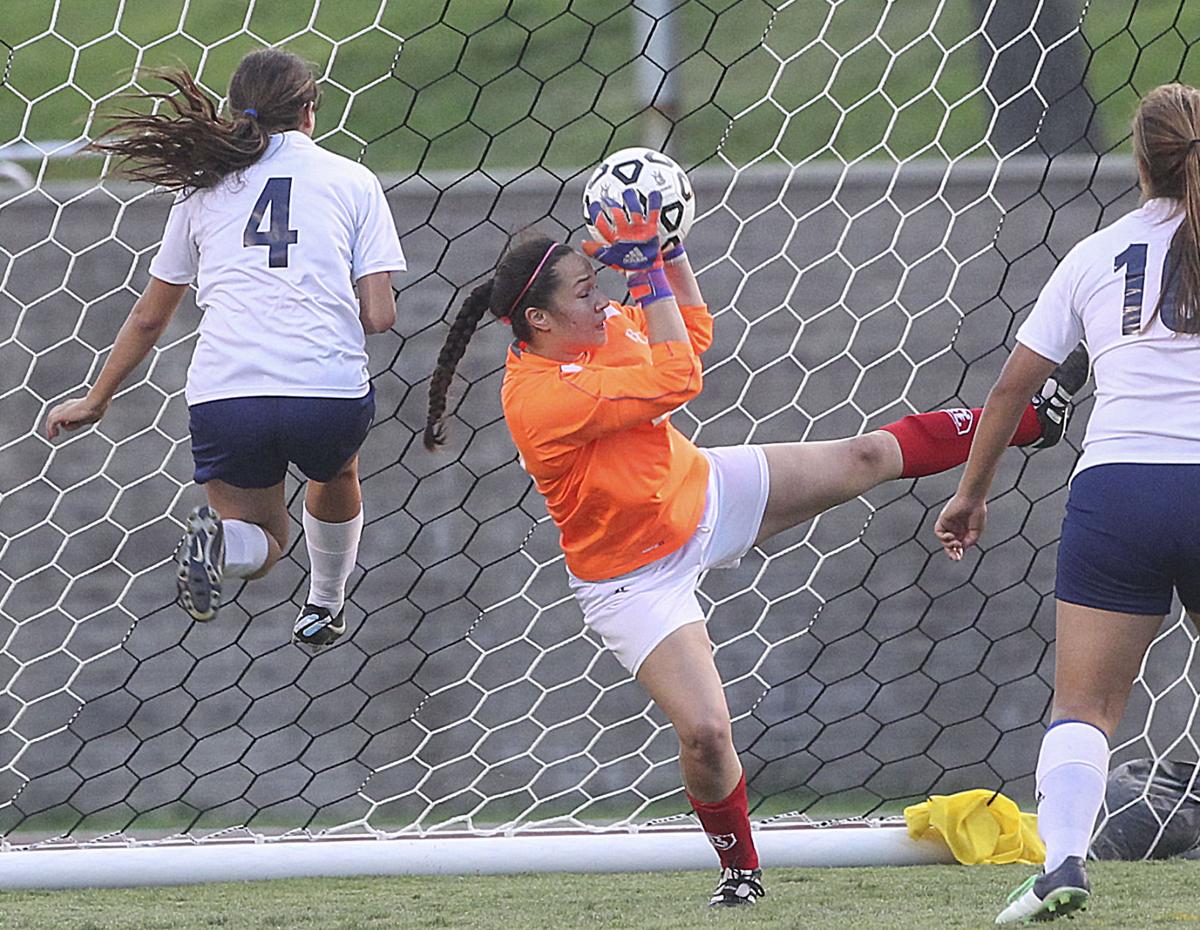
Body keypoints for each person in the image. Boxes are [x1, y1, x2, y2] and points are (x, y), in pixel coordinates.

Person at [423, 189, 1086, 908]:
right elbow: (681, 375)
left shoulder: (595, 330)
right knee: (707, 731)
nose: (602, 298)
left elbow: (694, 335)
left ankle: (1030, 420)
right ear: (540, 321)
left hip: (701, 493)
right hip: (633, 579)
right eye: (588, 291)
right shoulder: (538, 398)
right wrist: (646, 273)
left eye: (602, 284)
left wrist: (668, 255)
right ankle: (740, 870)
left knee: (864, 455)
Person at [935, 82, 1200, 924]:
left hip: (1117, 491)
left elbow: (1015, 384)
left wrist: (972, 493)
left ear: (1141, 163)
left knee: (1084, 705)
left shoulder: (1094, 255)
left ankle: (1062, 868)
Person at [44, 49, 405, 650]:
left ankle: (217, 544)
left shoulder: (201, 189)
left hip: (228, 395)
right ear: (311, 113)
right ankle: (325, 602)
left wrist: (96, 399)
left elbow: (148, 316)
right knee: (336, 468)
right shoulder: (352, 181)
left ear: (238, 113)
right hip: (325, 392)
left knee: (261, 539)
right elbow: (380, 316)